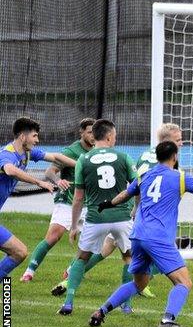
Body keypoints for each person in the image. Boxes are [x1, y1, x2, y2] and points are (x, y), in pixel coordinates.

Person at [89, 141, 193, 327]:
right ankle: (168, 320)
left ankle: (101, 311)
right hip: (158, 238)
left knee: (139, 284)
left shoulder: (144, 176)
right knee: (184, 282)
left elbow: (125, 194)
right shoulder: (180, 178)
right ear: (175, 157)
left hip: (138, 236)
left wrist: (108, 203)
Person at [51, 123, 183, 298]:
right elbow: (142, 185)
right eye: (178, 140)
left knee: (107, 248)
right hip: (146, 214)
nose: (182, 143)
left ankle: (70, 279)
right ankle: (136, 288)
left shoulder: (145, 155)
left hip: (127, 209)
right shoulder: (167, 162)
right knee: (154, 253)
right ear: (168, 142)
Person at [57, 119, 137, 315]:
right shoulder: (124, 156)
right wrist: (136, 210)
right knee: (128, 257)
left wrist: (74, 225)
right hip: (121, 218)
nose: (115, 139)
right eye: (115, 136)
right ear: (109, 136)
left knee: (81, 258)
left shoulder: (83, 160)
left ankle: (68, 303)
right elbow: (137, 187)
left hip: (95, 218)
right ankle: (126, 305)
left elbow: (78, 198)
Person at [21, 118, 95, 282]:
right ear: (81, 132)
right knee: (54, 236)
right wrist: (57, 180)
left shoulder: (98, 151)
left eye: (95, 132)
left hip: (88, 202)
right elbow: (49, 172)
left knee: (93, 242)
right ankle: (29, 271)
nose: (93, 135)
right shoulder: (70, 151)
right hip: (68, 199)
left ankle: (70, 271)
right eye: (89, 132)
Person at [0, 117, 76, 278]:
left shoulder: (26, 153)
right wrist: (39, 182)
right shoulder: (7, 155)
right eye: (34, 136)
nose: (37, 140)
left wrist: (83, 164)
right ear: (23, 136)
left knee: (19, 252)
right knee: (19, 252)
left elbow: (56, 157)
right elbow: (10, 170)